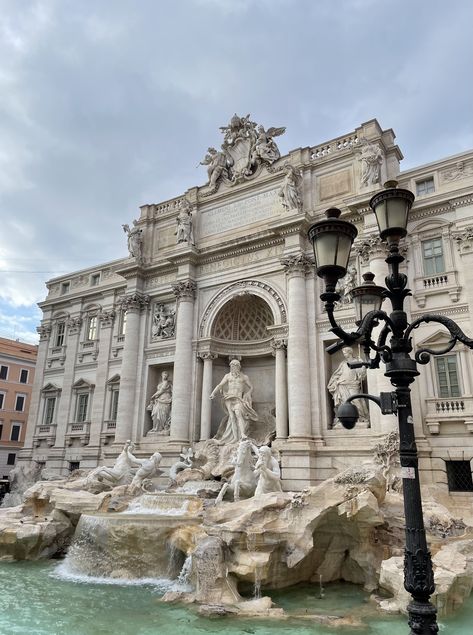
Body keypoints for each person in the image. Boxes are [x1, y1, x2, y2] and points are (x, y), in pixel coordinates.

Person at [210, 360, 258, 443]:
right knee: (232, 418)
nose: (233, 368)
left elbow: (251, 387)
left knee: (238, 414)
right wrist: (213, 393)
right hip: (229, 398)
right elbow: (220, 385)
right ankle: (235, 438)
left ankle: (243, 434)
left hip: (238, 399)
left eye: (234, 367)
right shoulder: (227, 376)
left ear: (238, 367)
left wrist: (248, 394)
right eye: (231, 367)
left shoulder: (244, 377)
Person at [327, 347, 369, 424]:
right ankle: (344, 418)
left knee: (356, 400)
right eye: (343, 353)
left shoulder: (356, 361)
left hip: (353, 384)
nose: (344, 355)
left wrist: (362, 365)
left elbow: (361, 374)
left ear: (350, 352)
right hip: (342, 384)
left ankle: (362, 417)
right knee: (344, 402)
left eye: (345, 353)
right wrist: (335, 381)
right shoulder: (343, 363)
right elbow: (337, 374)